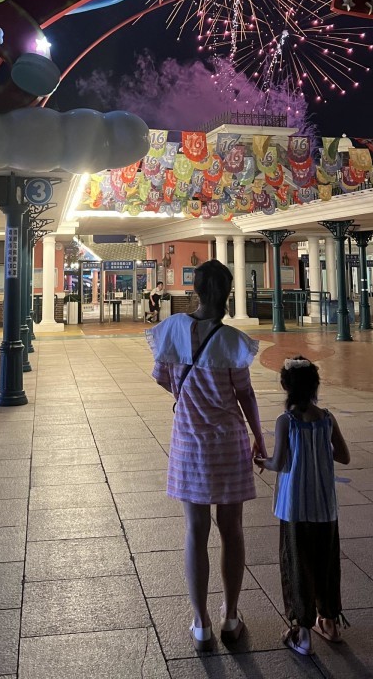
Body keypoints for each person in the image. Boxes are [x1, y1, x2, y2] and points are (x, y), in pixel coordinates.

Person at [147, 260, 266, 652]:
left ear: (195, 290)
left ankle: (200, 624)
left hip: (189, 444)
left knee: (195, 531)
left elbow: (165, 380)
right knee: (231, 530)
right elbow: (245, 395)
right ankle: (231, 617)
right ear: (228, 293)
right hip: (229, 443)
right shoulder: (233, 341)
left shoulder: (172, 330)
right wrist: (259, 437)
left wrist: (191, 399)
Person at [254, 357, 350, 655]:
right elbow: (344, 456)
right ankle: (331, 622)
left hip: (294, 508)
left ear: (285, 386)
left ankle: (303, 632)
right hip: (324, 508)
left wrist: (260, 460)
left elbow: (278, 462)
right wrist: (319, 451)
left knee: (297, 564)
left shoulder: (287, 421)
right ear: (314, 386)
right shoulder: (327, 419)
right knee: (326, 564)